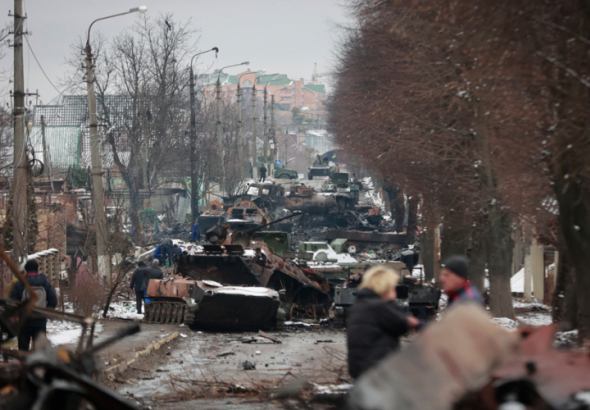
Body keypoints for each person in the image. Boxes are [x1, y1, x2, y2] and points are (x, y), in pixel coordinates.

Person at [347, 266, 419, 379]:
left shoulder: (362, 304)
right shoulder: (377, 306)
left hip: (363, 368)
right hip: (376, 370)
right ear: (385, 287)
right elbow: (401, 324)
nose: (395, 289)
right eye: (393, 286)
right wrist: (391, 301)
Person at [10, 260, 58, 351]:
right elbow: (53, 301)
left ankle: (23, 364)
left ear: (26, 270)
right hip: (40, 320)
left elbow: (12, 302)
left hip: (24, 321)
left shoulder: (20, 283)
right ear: (37, 269)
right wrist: (45, 312)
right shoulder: (45, 283)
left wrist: (16, 314)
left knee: (23, 350)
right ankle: (38, 365)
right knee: (39, 350)